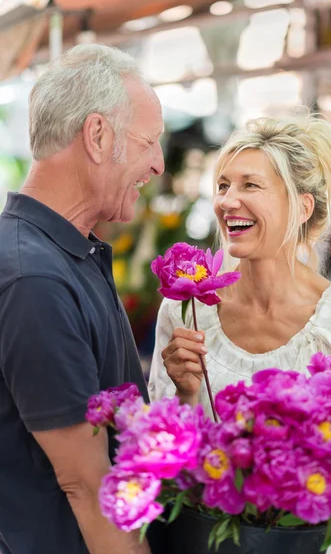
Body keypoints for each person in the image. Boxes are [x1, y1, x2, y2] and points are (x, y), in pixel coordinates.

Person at [149, 114, 331, 554]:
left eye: (249, 186)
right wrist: (184, 395)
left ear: (302, 207)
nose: (227, 201)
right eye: (222, 185)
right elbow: (165, 468)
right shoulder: (186, 310)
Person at [0, 44, 164, 554]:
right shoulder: (35, 278)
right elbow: (89, 487)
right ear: (97, 135)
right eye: (149, 142)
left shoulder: (61, 253)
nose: (158, 164)